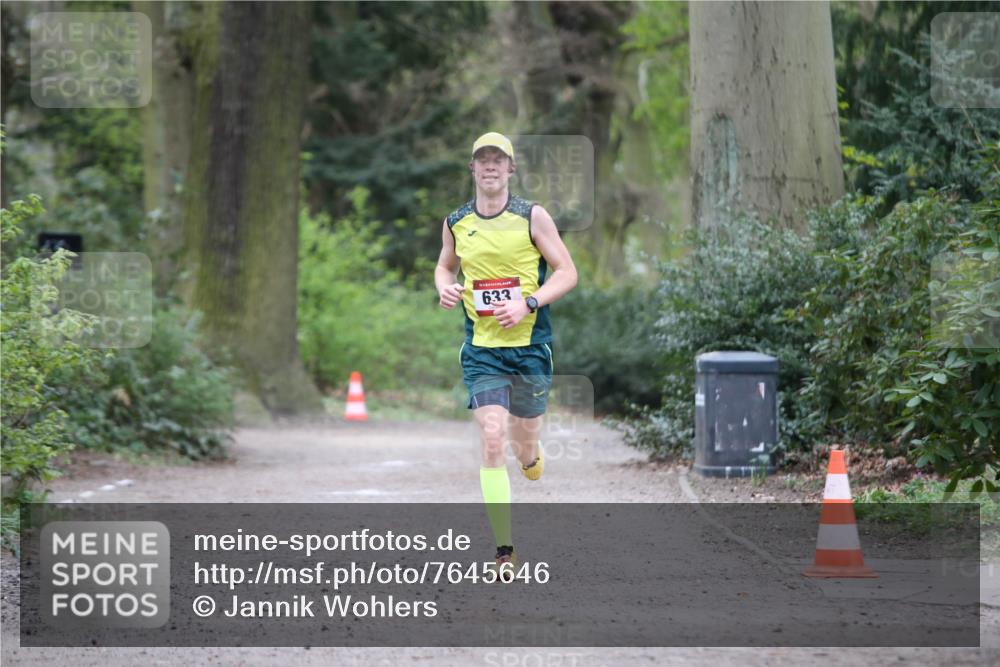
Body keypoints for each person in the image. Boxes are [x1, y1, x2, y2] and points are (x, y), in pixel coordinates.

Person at [434, 132, 578, 579]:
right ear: (473, 169)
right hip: (482, 351)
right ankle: (504, 549)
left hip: (531, 348)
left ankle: (530, 453)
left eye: (499, 160)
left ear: (511, 169)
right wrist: (445, 287)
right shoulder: (457, 222)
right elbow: (445, 265)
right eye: (483, 160)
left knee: (524, 440)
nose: (491, 166)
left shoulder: (532, 216)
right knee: (493, 437)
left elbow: (567, 271)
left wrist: (528, 303)